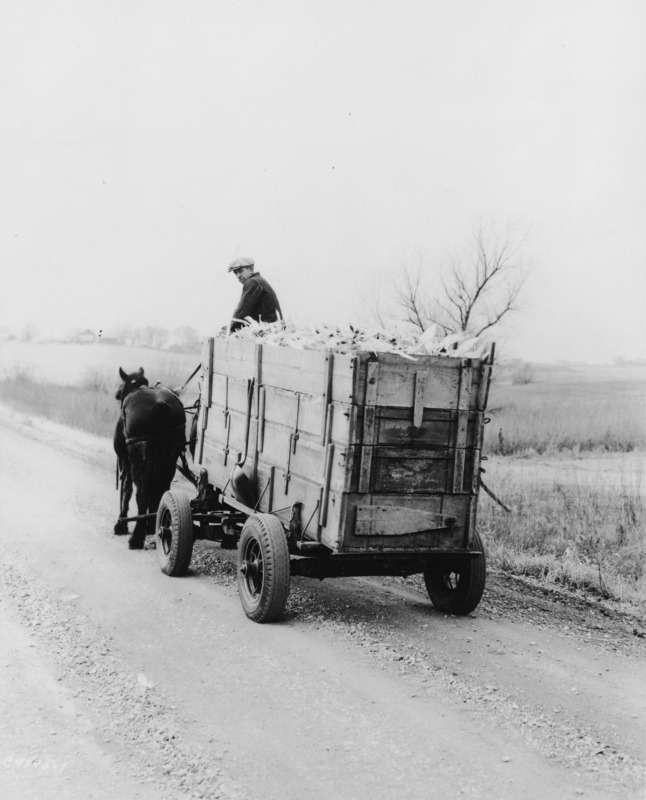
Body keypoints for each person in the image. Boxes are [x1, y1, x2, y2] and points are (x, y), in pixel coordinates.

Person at [227, 257, 283, 332]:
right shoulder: (259, 281)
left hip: (267, 331)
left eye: (240, 271)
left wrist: (229, 329)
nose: (238, 276)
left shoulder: (253, 282)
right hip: (273, 329)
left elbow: (241, 312)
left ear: (251, 269)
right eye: (235, 273)